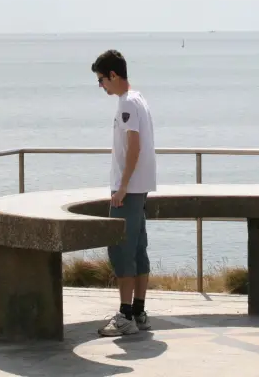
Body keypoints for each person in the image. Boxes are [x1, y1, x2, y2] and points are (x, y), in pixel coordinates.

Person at [91, 49, 157, 337]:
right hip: (139, 188)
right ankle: (139, 311)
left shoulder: (127, 104)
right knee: (138, 249)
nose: (101, 86)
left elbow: (134, 147)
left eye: (101, 80)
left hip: (129, 191)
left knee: (121, 251)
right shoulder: (138, 99)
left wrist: (122, 187)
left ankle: (125, 315)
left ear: (113, 75)